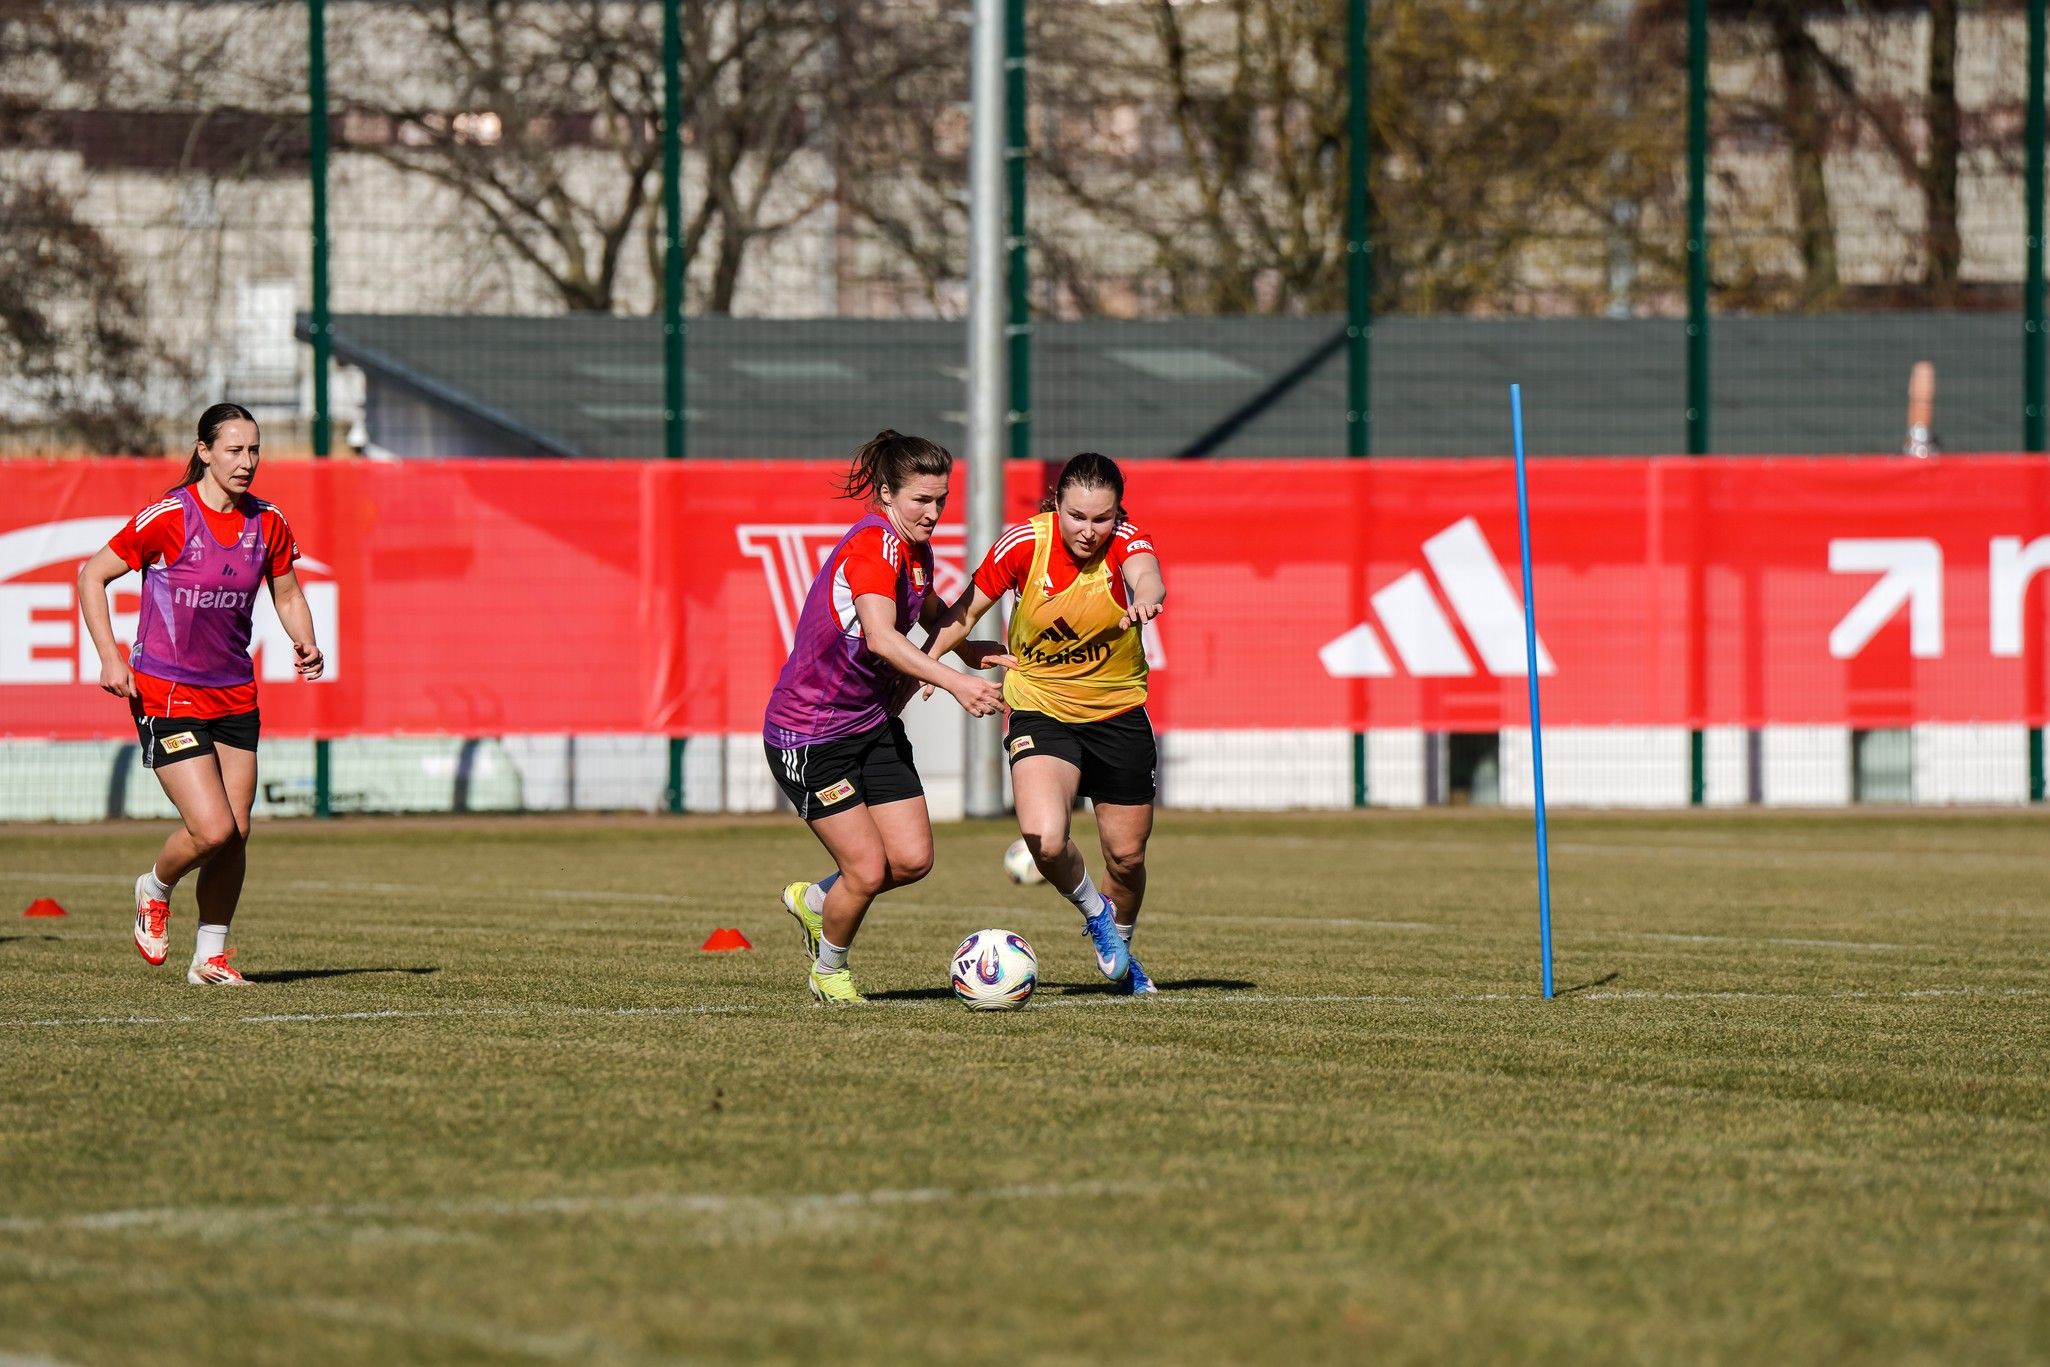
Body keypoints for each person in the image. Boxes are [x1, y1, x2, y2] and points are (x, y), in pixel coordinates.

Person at [76, 403, 325, 986]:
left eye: (255, 450)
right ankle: (154, 887)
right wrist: (112, 656)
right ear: (205, 451)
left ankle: (210, 955)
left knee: (236, 831)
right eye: (234, 450)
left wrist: (306, 642)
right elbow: (91, 575)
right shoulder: (169, 515)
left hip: (235, 692)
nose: (247, 462)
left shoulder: (268, 522)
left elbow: (287, 594)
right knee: (210, 828)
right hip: (168, 690)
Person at [767, 431, 1012, 1006]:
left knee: (912, 860)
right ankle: (829, 971)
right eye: (920, 500)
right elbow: (881, 638)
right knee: (868, 869)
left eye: (941, 500)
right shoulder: (873, 547)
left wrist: (968, 648)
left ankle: (815, 902)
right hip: (810, 736)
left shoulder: (914, 552)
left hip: (869, 725)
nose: (933, 513)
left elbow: (930, 616)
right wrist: (956, 683)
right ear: (885, 494)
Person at [926, 452, 1165, 995]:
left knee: (1126, 859)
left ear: (1116, 514)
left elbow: (1147, 578)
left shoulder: (1128, 541)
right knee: (1045, 839)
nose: (1088, 530)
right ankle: (1099, 920)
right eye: (1077, 516)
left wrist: (1147, 602)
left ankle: (1122, 958)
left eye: (1101, 518)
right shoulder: (1025, 545)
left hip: (1119, 714)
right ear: (1056, 503)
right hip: (1040, 707)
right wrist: (928, 663)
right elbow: (964, 611)